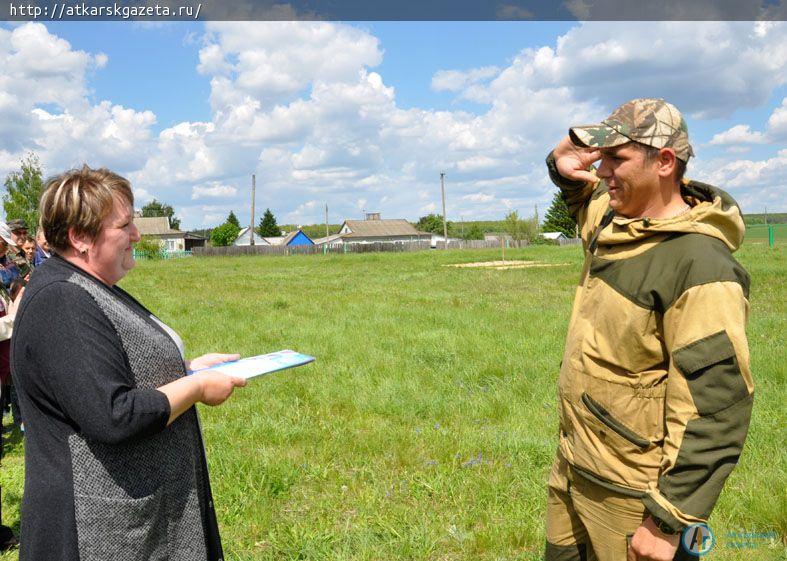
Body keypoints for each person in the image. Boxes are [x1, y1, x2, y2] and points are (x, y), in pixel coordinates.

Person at [543, 99, 753, 561]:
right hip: (575, 465)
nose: (602, 172)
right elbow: (581, 196)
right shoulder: (615, 223)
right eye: (601, 159)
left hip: (633, 496)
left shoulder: (700, 265)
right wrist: (562, 163)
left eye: (616, 159)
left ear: (664, 162)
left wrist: (667, 519)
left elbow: (716, 407)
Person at [12, 165, 247, 561]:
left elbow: (101, 374)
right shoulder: (61, 301)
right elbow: (112, 414)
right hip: (94, 530)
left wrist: (187, 368)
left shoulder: (86, 286)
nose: (137, 234)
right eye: (125, 225)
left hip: (127, 519)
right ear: (81, 237)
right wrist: (197, 388)